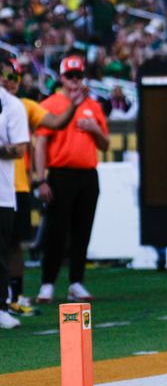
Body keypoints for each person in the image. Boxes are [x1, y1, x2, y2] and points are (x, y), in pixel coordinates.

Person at [0, 58, 78, 317]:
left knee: (13, 244)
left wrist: (74, 107)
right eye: (5, 76)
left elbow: (55, 123)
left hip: (14, 185)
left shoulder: (21, 106)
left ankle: (15, 295)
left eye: (13, 78)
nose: (9, 82)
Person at [34, 56, 109, 304]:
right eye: (70, 76)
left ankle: (76, 282)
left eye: (79, 76)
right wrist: (41, 178)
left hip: (87, 174)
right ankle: (47, 283)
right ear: (62, 78)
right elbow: (41, 142)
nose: (75, 81)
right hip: (61, 173)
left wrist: (94, 129)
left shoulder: (93, 106)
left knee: (82, 230)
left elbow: (105, 143)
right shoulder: (50, 104)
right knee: (56, 231)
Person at [0, 85, 30, 329]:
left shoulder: (12, 106)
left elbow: (19, 149)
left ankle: (1, 306)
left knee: (2, 252)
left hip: (2, 192)